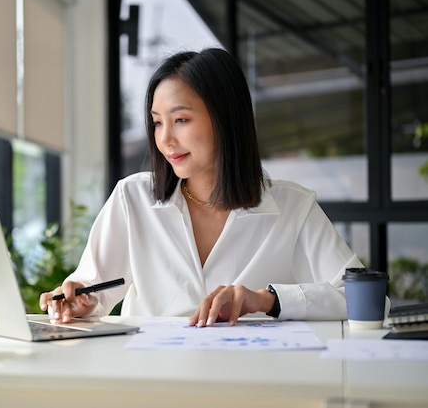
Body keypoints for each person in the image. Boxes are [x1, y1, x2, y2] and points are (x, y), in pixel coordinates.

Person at [39, 47, 363, 327]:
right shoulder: (132, 199)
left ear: (225, 119)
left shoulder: (293, 207)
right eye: (157, 122)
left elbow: (363, 297)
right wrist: (77, 301)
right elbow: (91, 289)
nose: (165, 139)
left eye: (181, 120)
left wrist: (266, 300)